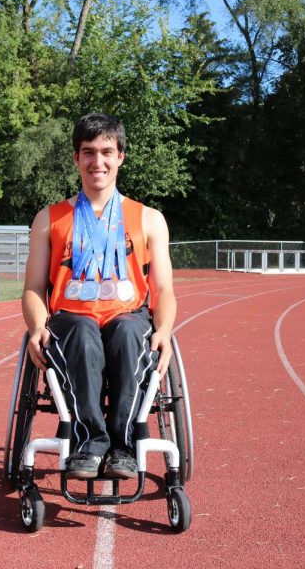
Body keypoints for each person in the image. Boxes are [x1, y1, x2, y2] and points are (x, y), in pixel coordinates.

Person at [21, 113, 177, 480]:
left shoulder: (149, 218)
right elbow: (32, 288)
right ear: (76, 158)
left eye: (107, 151)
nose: (98, 161)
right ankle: (89, 443)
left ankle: (122, 446)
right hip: (71, 318)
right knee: (82, 334)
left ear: (121, 156)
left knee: (127, 334)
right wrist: (34, 326)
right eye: (88, 152)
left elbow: (165, 289)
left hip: (128, 315)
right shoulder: (50, 218)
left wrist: (165, 330)